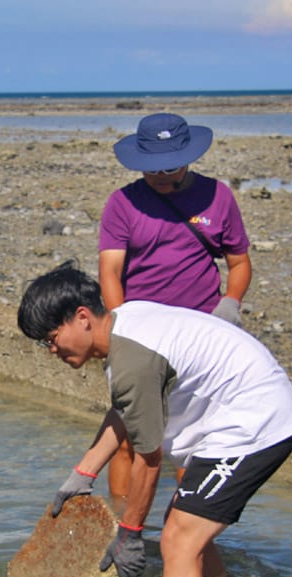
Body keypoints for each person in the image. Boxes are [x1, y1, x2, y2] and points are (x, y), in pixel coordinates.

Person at [17, 262, 292, 577]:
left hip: (258, 421)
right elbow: (126, 409)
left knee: (178, 539)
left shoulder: (132, 362)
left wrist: (130, 534)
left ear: (82, 317)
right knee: (185, 524)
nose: (51, 350)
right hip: (238, 412)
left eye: (51, 337)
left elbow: (148, 460)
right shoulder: (124, 323)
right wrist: (83, 473)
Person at [99, 112, 253, 501]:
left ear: (189, 157)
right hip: (142, 340)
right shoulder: (123, 203)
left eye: (169, 167)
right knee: (127, 440)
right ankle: (120, 529)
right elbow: (110, 271)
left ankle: (187, 531)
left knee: (193, 444)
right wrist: (121, 328)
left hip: (200, 337)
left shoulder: (218, 197)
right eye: (151, 170)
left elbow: (239, 261)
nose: (161, 177)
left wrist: (230, 303)